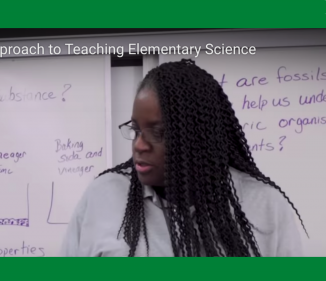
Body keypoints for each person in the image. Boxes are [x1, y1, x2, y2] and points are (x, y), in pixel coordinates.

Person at [59, 59, 306, 257]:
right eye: (136, 130)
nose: (139, 145)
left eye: (158, 133)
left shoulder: (265, 207)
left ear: (198, 138)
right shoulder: (102, 197)